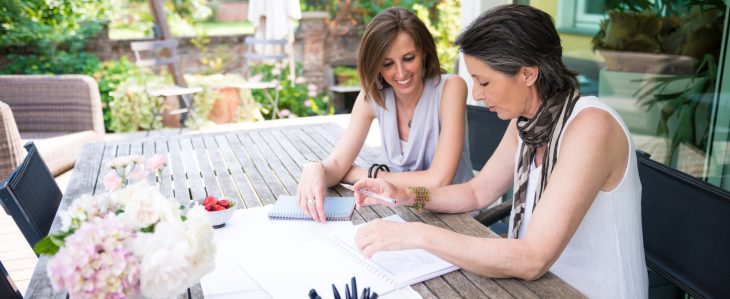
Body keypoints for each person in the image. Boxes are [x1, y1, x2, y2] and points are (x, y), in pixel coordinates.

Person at [351, 4, 648, 298]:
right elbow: (476, 193)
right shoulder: (527, 121)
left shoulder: (591, 127)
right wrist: (408, 195)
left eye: (484, 81)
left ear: (528, 74)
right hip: (534, 289)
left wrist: (415, 235)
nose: (477, 94)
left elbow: (532, 258)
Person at [296, 8, 474, 222]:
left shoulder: (451, 88)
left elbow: (438, 180)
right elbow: (336, 165)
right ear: (376, 66)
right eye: (388, 63)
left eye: (409, 58)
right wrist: (315, 168)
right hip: (404, 214)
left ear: (425, 52)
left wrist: (361, 175)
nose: (400, 73)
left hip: (458, 218)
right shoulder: (371, 97)